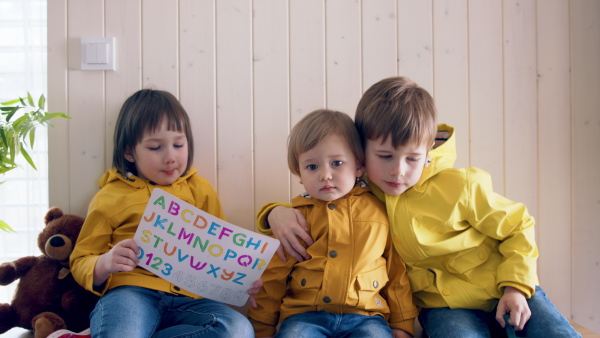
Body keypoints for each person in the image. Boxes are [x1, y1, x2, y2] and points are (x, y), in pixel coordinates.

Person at [257, 77, 581, 337]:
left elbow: (517, 226)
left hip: (504, 286)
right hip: (443, 308)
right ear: (361, 156)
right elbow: (321, 203)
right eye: (384, 157)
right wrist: (274, 212)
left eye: (412, 159)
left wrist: (515, 287)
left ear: (427, 154)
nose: (398, 171)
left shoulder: (460, 186)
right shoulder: (362, 193)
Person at [70, 89, 255, 338]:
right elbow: (81, 259)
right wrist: (104, 263)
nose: (170, 157)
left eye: (179, 145)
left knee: (238, 330)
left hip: (189, 298)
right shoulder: (110, 197)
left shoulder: (200, 190)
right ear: (128, 152)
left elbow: (220, 249)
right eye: (156, 147)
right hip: (131, 292)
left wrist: (241, 279)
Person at [247, 109, 418, 338]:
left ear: (358, 166)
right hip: (306, 317)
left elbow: (396, 273)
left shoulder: (380, 211)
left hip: (366, 318)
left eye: (337, 163)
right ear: (299, 173)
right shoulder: (295, 219)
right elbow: (273, 276)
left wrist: (403, 325)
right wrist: (262, 327)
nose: (325, 175)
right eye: (312, 167)